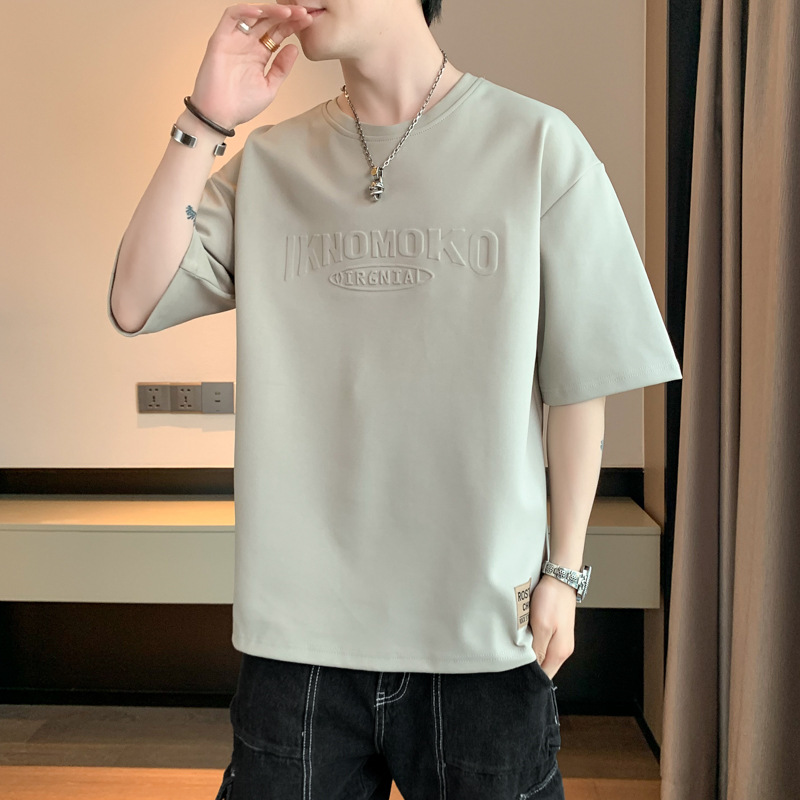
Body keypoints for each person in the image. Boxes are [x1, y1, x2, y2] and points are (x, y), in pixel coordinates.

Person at [106, 2, 683, 798]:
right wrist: (205, 119)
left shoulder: (538, 145)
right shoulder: (271, 163)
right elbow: (134, 301)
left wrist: (566, 574)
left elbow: (582, 381)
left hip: (483, 633)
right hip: (298, 645)